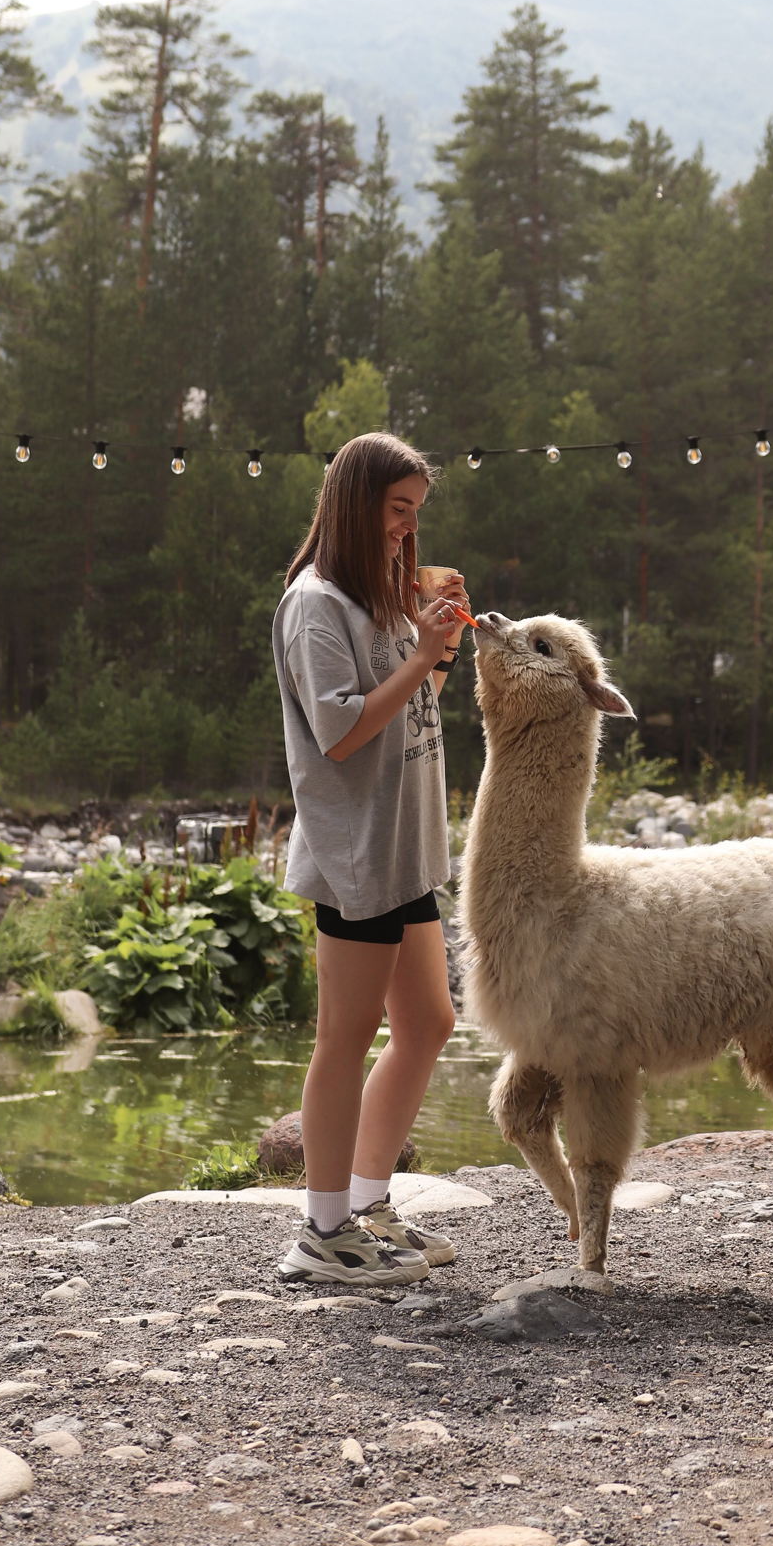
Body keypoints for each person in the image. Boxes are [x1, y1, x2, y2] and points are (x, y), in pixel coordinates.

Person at [271, 432, 467, 1286]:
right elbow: (342, 732)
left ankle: (367, 1201)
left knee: (428, 1023)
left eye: (414, 515)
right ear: (356, 503)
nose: (404, 529)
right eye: (396, 510)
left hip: (402, 845)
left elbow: (411, 707)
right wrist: (421, 653)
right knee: (343, 1038)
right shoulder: (315, 605)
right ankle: (320, 1233)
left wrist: (440, 645)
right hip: (355, 851)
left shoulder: (382, 596)